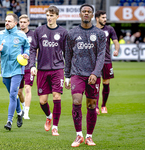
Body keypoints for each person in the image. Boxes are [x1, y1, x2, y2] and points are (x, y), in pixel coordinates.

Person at [65, 4, 106, 147]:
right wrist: (67, 75)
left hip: (93, 75)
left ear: (92, 15)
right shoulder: (72, 33)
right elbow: (68, 55)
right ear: (80, 14)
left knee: (91, 105)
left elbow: (101, 56)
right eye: (84, 11)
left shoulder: (100, 34)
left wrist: (95, 73)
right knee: (76, 101)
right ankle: (79, 135)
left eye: (89, 11)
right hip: (77, 73)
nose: (86, 13)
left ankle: (89, 136)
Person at [29, 6, 68, 136]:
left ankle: (55, 127)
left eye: (52, 15)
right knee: (42, 101)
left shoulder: (63, 32)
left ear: (57, 16)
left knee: (57, 97)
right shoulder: (39, 31)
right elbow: (33, 49)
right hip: (42, 69)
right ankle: (49, 116)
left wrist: (68, 72)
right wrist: (32, 65)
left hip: (58, 68)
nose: (49, 18)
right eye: (47, 15)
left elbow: (67, 53)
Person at [0, 13, 30, 131]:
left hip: (18, 69)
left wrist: (26, 53)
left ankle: (9, 121)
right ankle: (20, 112)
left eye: (9, 21)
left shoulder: (21, 35)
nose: (7, 23)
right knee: (12, 94)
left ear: (15, 23)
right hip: (5, 70)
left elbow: (27, 47)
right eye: (6, 21)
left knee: (13, 94)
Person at [95, 10, 119, 114]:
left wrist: (116, 49)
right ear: (97, 18)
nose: (105, 19)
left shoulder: (109, 29)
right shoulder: (92, 30)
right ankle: (95, 106)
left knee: (106, 83)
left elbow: (116, 42)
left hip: (106, 60)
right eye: (103, 18)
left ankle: (103, 105)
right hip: (94, 61)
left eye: (105, 18)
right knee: (95, 83)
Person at [18, 14, 35, 119]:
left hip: (29, 66)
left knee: (28, 89)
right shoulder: (16, 35)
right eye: (21, 22)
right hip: (18, 67)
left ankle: (27, 113)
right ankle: (24, 106)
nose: (22, 24)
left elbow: (36, 49)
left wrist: (34, 63)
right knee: (19, 92)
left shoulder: (33, 35)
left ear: (28, 23)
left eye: (25, 22)